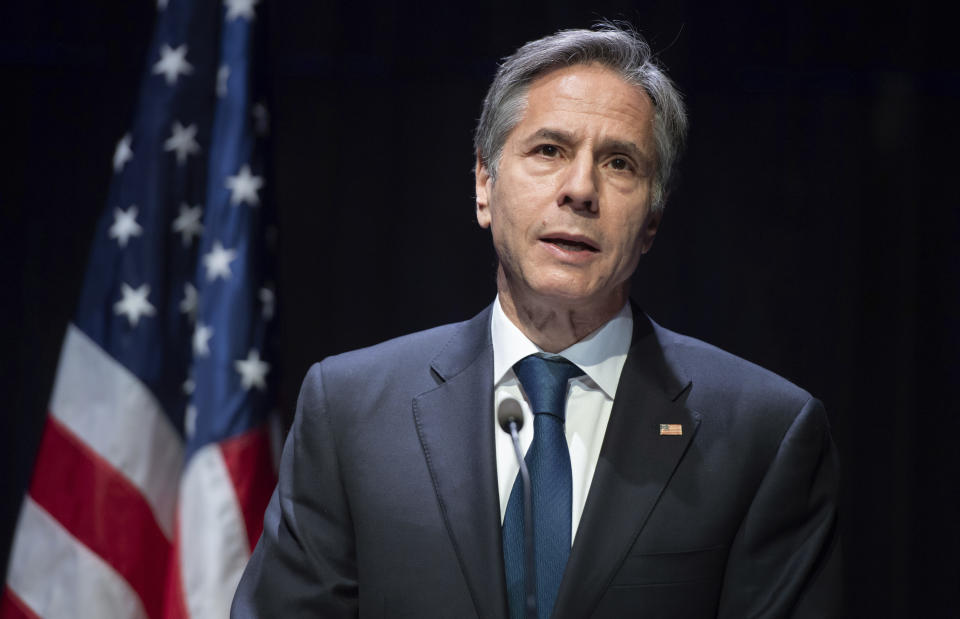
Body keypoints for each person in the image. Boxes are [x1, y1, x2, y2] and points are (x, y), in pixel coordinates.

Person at [232, 23, 841, 618]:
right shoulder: (351, 410)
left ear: (652, 220)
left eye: (620, 163)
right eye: (549, 150)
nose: (580, 189)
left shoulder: (765, 433)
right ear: (483, 184)